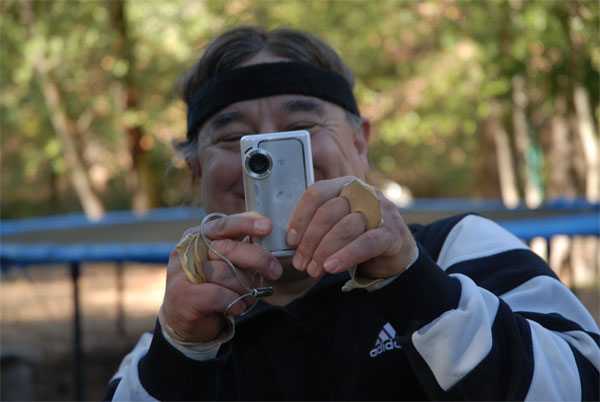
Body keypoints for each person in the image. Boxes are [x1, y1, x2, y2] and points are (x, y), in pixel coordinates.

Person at [105, 26, 599, 401]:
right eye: (235, 139)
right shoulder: (179, 334)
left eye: (301, 127)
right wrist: (182, 353)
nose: (268, 160)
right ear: (196, 171)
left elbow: (581, 383)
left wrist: (414, 284)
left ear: (360, 142)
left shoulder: (460, 249)